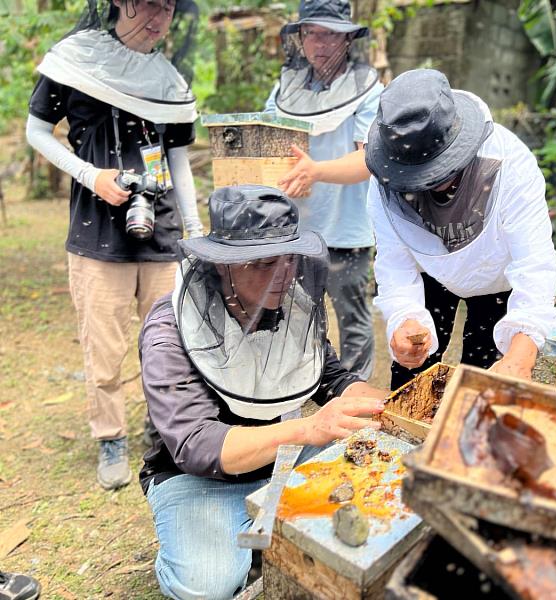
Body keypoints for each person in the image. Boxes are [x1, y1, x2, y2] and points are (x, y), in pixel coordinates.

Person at [139, 185, 385, 600]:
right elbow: (198, 446)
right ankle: (193, 550)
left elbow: (333, 379)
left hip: (282, 458)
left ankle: (261, 531)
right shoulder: (170, 329)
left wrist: (386, 406)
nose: (283, 275)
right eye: (263, 264)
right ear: (222, 266)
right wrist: (308, 430)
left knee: (377, 494)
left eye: (289, 260)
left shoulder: (293, 306)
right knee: (208, 587)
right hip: (196, 478)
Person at [25, 0, 203, 491]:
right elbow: (36, 131)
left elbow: (179, 159)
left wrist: (195, 228)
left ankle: (163, 431)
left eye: (167, 8)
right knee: (104, 347)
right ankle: (110, 438)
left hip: (162, 231)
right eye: (148, 4)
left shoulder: (170, 79)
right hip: (95, 233)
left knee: (169, 342)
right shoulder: (75, 59)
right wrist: (90, 175)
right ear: (120, 3)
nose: (159, 18)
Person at [364, 69, 556, 389]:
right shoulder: (384, 183)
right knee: (412, 381)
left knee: (485, 382)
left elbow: (534, 265)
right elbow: (394, 263)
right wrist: (405, 317)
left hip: (499, 281)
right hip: (432, 277)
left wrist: (521, 354)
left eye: (435, 173)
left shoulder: (511, 164)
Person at [263, 0, 384, 380]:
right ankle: (302, 392)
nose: (321, 43)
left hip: (346, 231)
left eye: (330, 33)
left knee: (352, 321)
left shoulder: (367, 89)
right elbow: (267, 145)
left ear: (347, 39)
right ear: (300, 37)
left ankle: (355, 399)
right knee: (296, 319)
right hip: (294, 229)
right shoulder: (285, 87)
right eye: (312, 32)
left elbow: (367, 161)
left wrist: (315, 171)